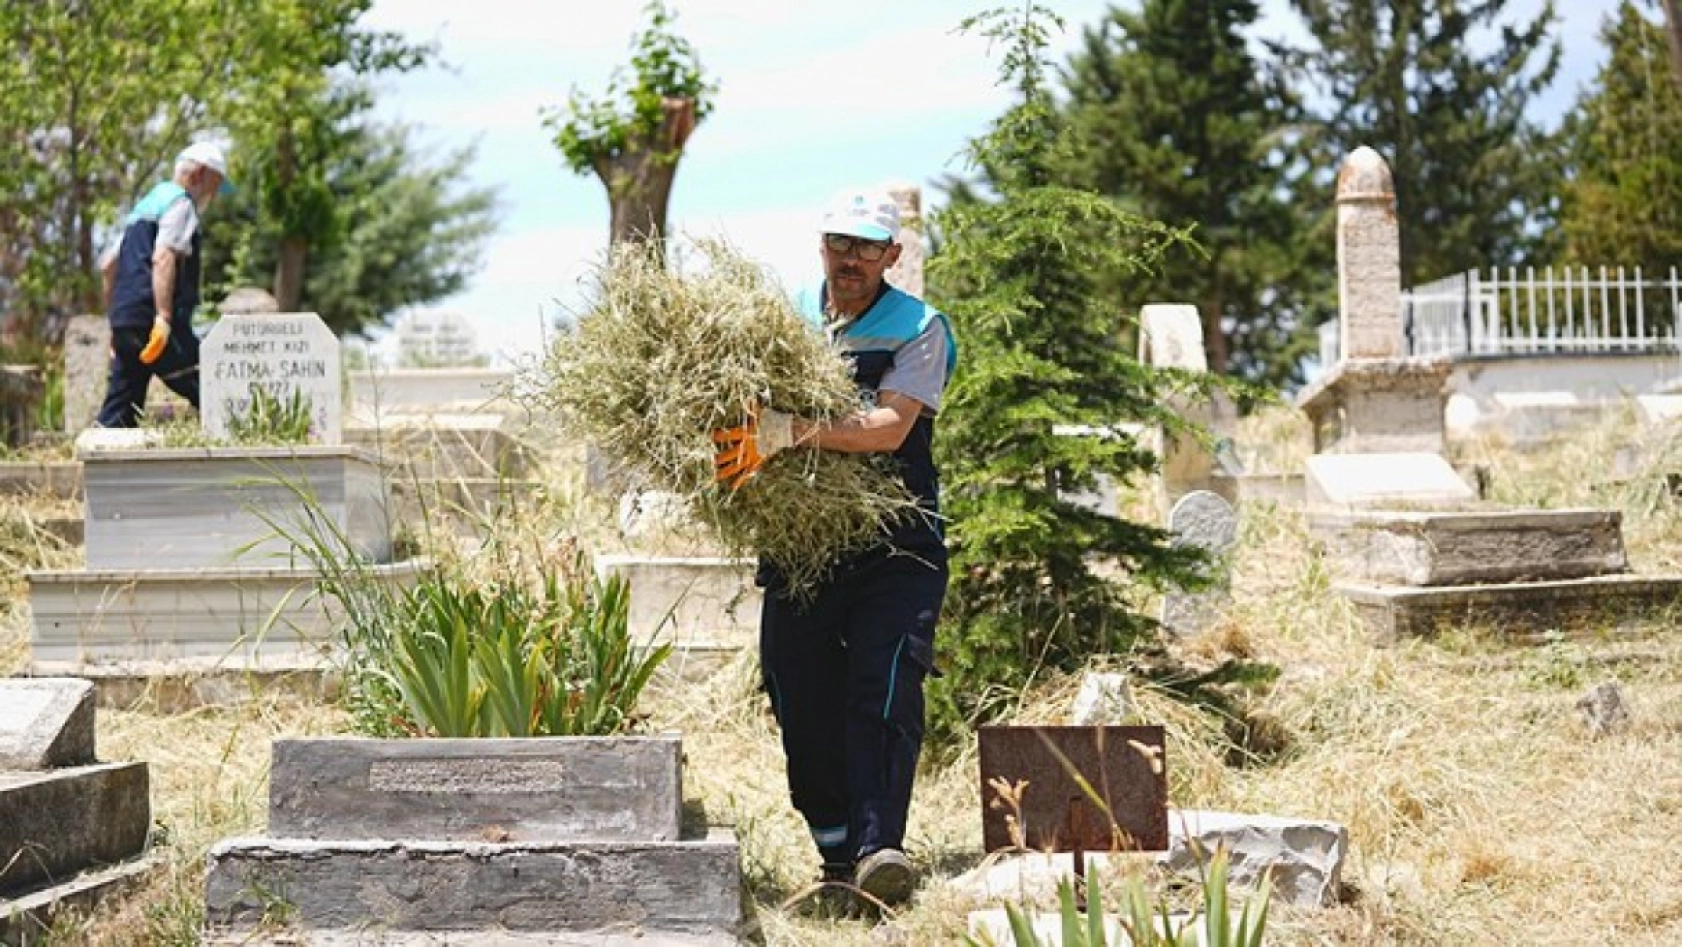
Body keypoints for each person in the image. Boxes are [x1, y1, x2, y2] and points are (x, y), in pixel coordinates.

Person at [711, 187, 957, 913]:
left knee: (881, 686)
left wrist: (792, 429)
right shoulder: (784, 317)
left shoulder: (918, 327)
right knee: (798, 692)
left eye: (866, 247)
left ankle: (883, 849)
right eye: (838, 243)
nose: (849, 259)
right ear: (821, 245)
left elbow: (888, 426)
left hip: (896, 544)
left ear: (892, 256)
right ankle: (838, 851)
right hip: (801, 547)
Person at [96, 141, 232, 428]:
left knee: (120, 408)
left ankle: (103, 465)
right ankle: (250, 458)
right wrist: (164, 318)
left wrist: (117, 323)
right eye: (215, 184)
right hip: (154, 319)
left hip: (127, 318)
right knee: (212, 387)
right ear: (199, 174)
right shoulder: (181, 203)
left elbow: (109, 267)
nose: (215, 194)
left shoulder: (143, 208)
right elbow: (164, 256)